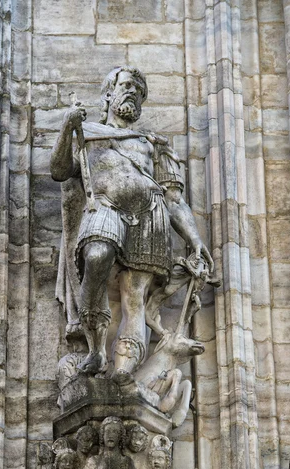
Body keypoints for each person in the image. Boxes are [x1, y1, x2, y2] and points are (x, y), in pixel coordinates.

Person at [51, 66, 214, 379]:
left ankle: (123, 371)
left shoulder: (155, 144)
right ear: (109, 93)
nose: (132, 93)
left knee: (135, 295)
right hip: (105, 206)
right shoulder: (88, 135)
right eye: (127, 86)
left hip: (150, 215)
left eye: (139, 92)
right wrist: (66, 126)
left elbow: (174, 199)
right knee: (97, 257)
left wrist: (194, 239)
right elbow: (59, 171)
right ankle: (97, 348)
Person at [77, 416, 148, 469]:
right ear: (102, 436)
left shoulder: (126, 461)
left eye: (115, 431)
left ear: (120, 437)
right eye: (107, 431)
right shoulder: (95, 460)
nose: (110, 435)